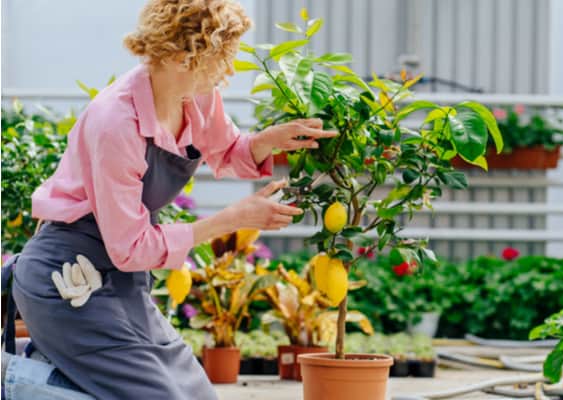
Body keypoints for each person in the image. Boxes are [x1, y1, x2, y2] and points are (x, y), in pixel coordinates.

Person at [1, 0, 336, 398]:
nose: (229, 70)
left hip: (122, 275)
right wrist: (231, 219)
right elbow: (130, 246)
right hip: (66, 277)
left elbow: (228, 151)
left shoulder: (197, 97)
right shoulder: (116, 123)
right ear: (182, 57)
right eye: (222, 57)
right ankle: (13, 379)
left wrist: (267, 142)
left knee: (196, 394)